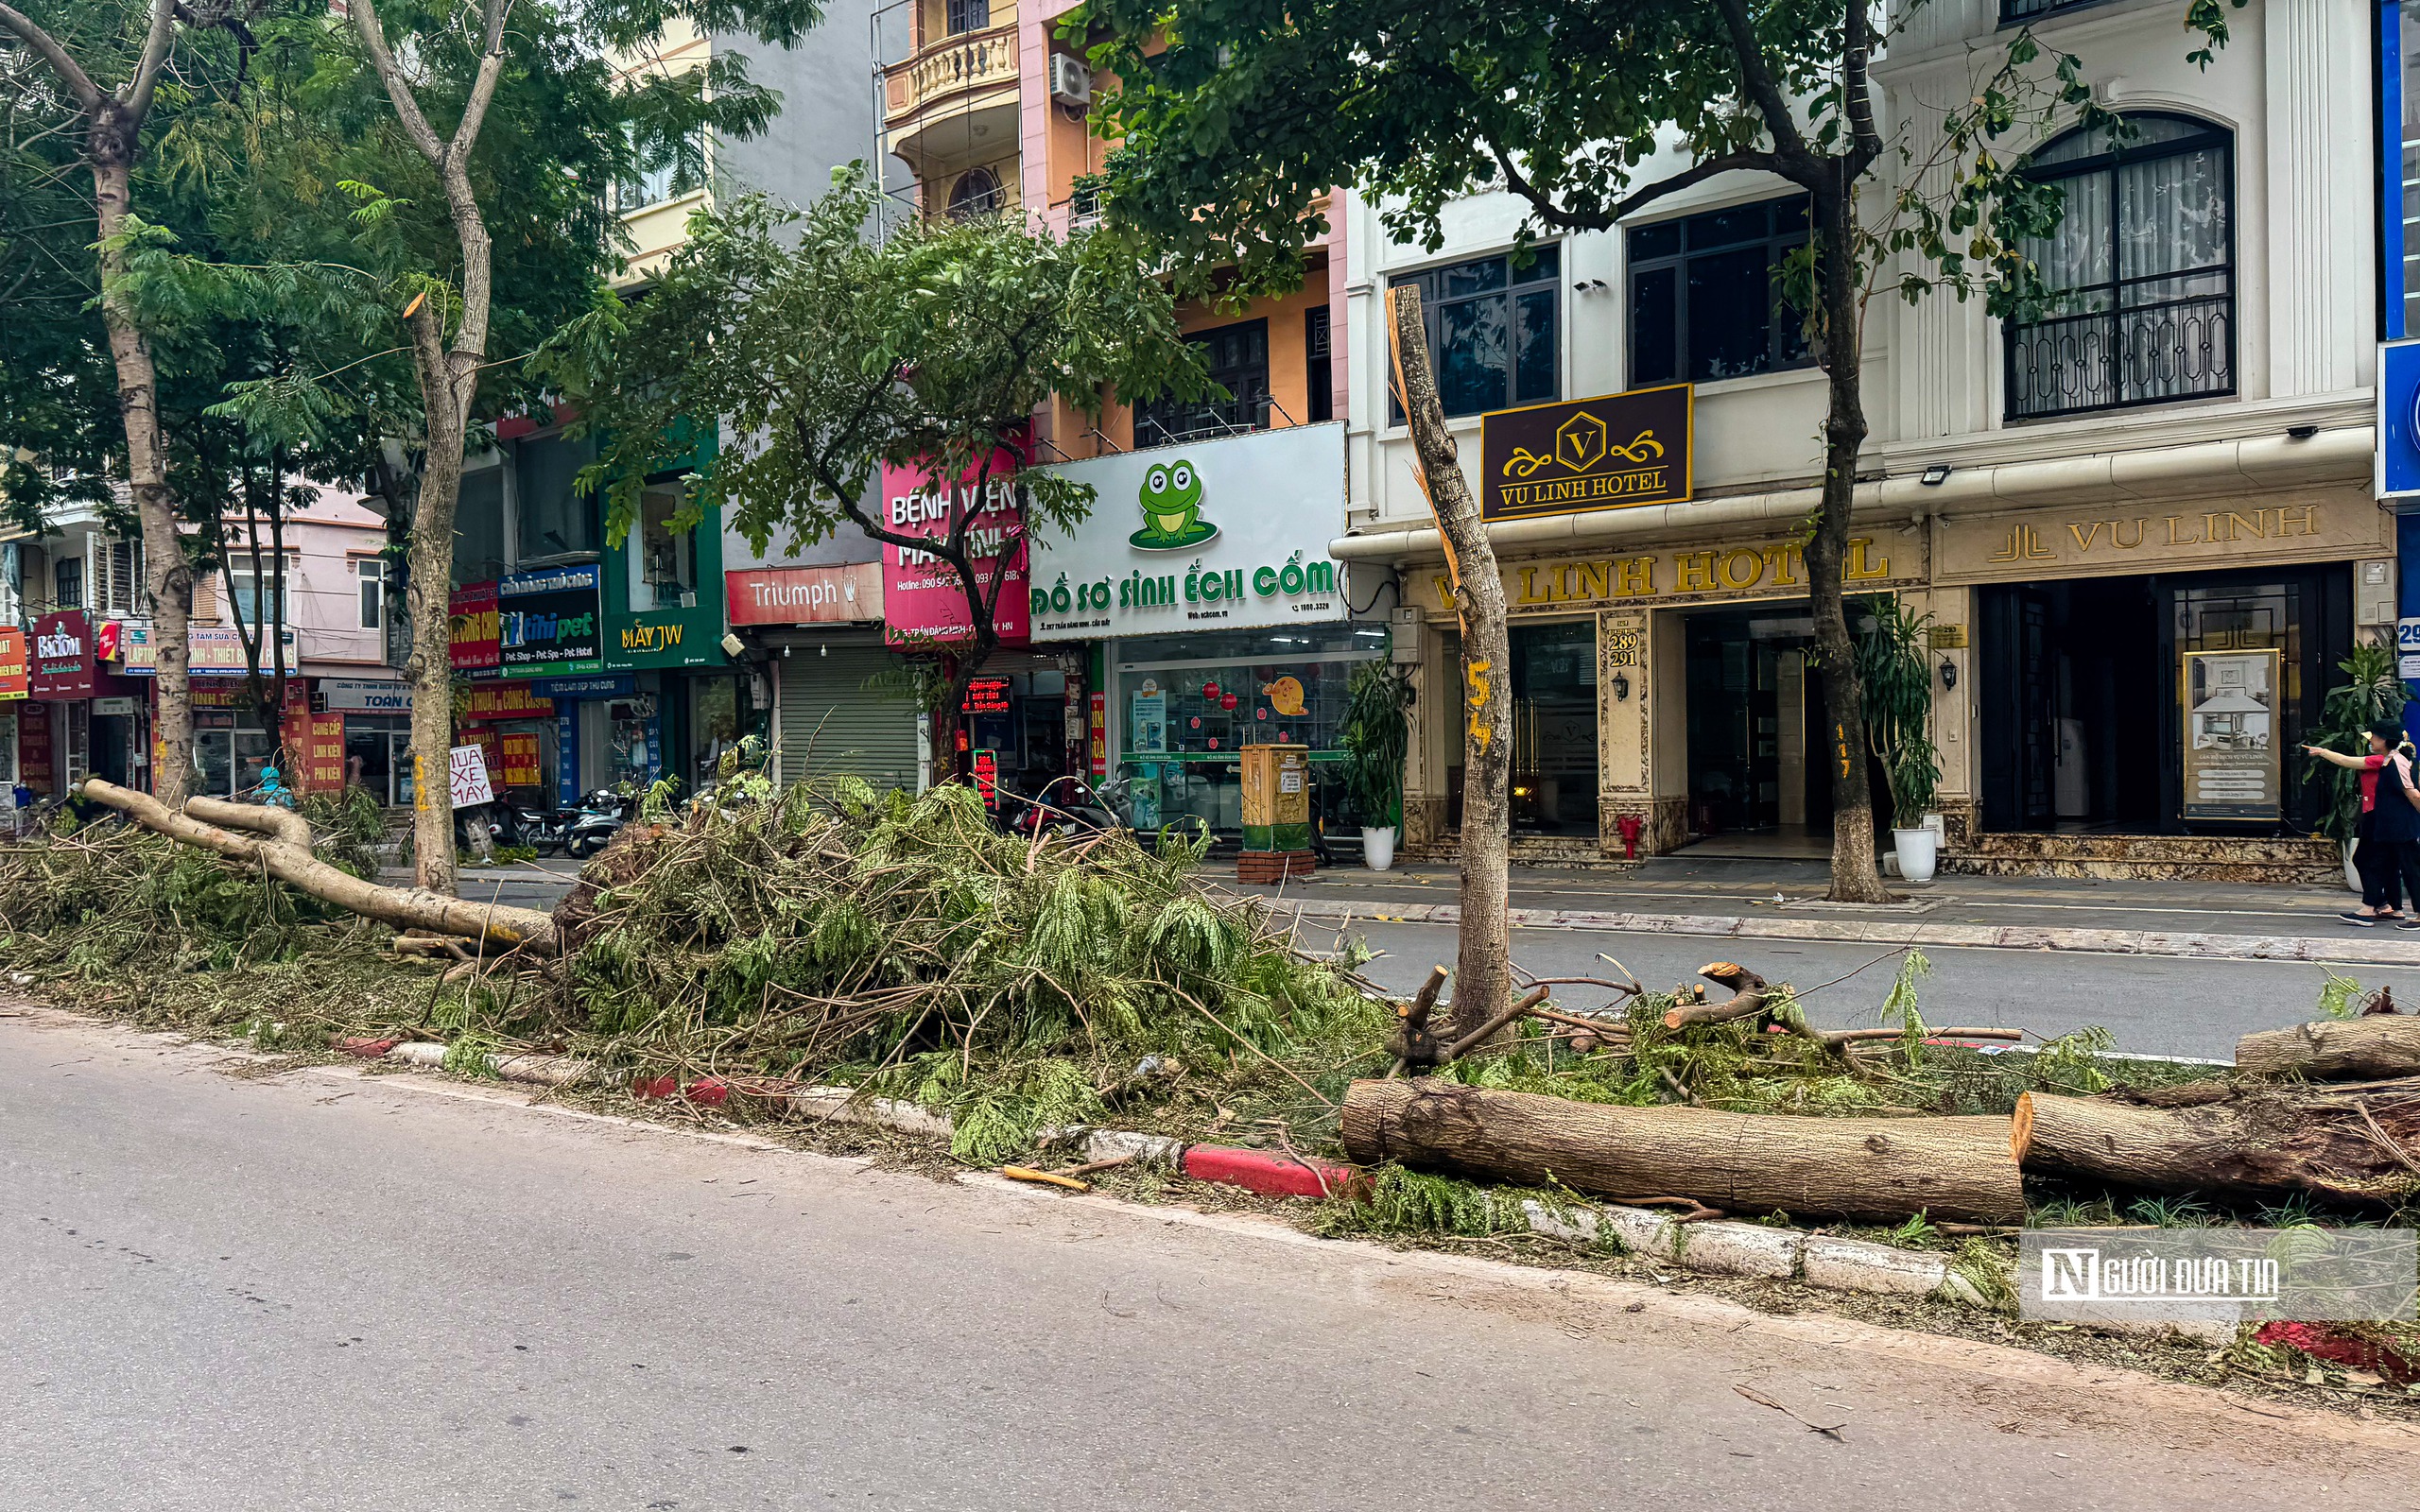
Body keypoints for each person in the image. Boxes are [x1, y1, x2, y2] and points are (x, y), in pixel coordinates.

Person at [2306, 721, 2420, 925]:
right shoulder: (2387, 761)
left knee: (2404, 867)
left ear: (2384, 740)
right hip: (2389, 824)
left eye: (2374, 736)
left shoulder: (2391, 762)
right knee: (2384, 864)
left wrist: (2323, 751)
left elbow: (2411, 793)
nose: (2370, 740)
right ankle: (2383, 907)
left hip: (2397, 824)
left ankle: (2378, 908)